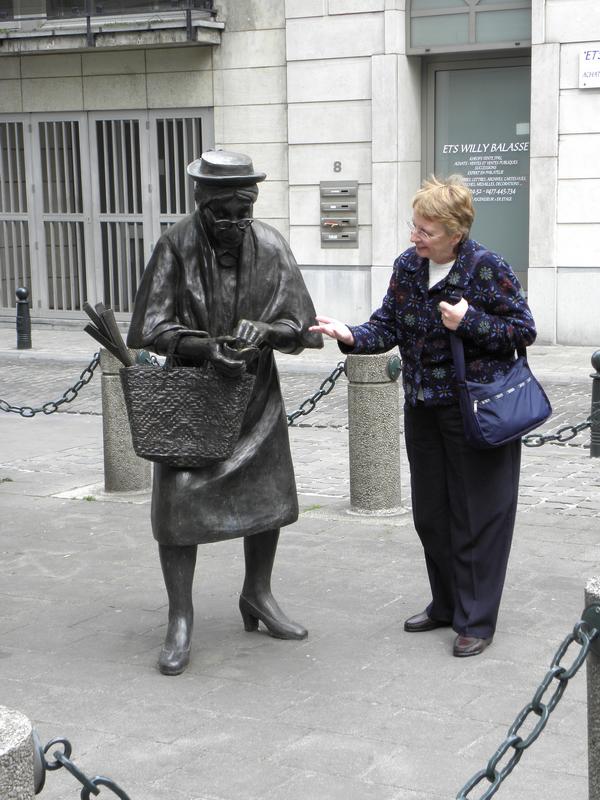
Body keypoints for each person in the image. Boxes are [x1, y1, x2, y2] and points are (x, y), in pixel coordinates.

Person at [310, 175, 536, 658]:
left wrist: (468, 321)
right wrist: (348, 333)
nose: (415, 237)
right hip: (424, 407)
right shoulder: (409, 267)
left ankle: (476, 618)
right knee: (431, 513)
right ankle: (446, 603)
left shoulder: (486, 268)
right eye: (414, 227)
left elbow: (523, 329)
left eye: (426, 231)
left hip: (475, 408)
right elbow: (387, 324)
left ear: (456, 233)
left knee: (478, 515)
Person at [127, 150, 323, 675]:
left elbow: (303, 329)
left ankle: (257, 594)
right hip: (192, 400)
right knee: (179, 507)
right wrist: (204, 346)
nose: (236, 224)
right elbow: (148, 328)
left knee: (270, 497)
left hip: (255, 396)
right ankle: (181, 618)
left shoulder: (272, 246)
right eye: (224, 215)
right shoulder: (175, 245)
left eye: (245, 213)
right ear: (202, 205)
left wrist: (268, 332)